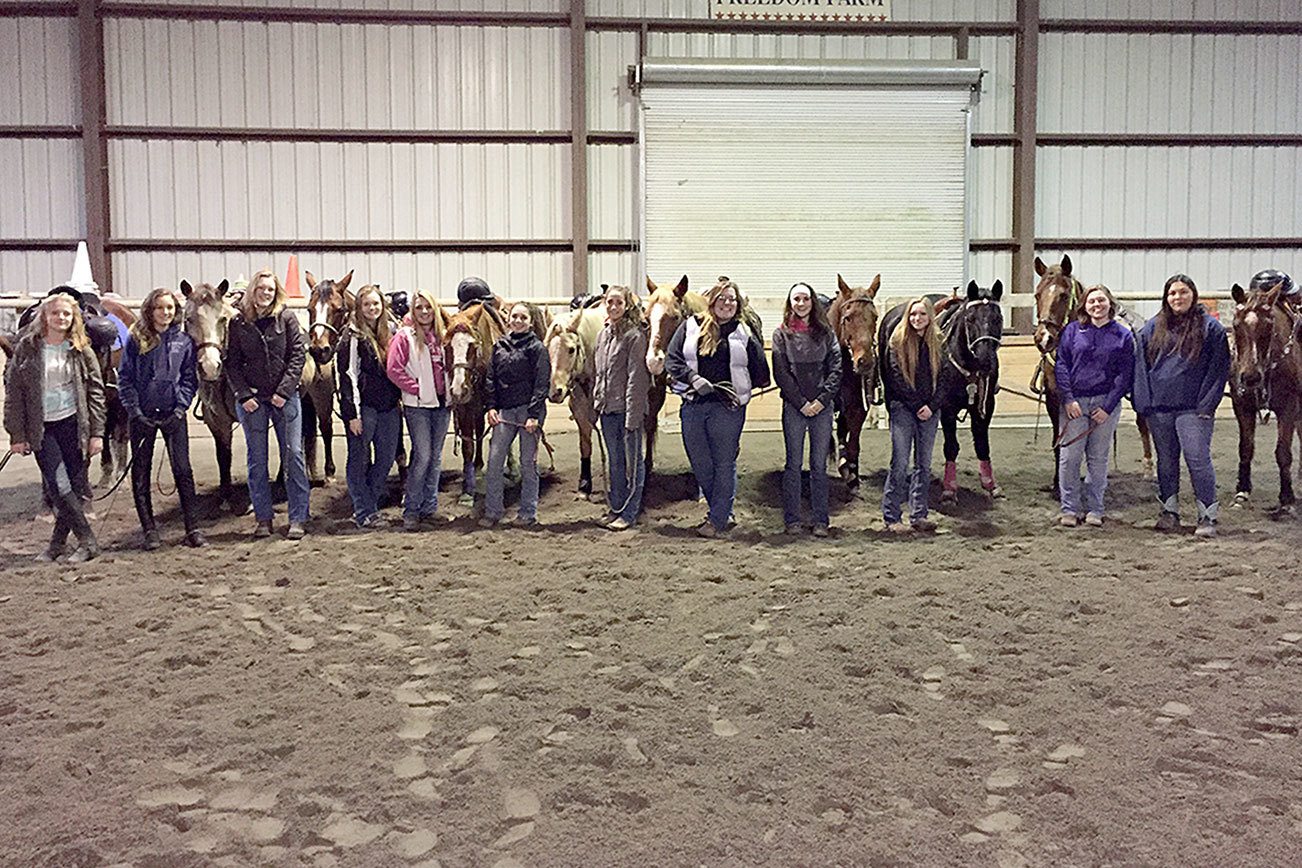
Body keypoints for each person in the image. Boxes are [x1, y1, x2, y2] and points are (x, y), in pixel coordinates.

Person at [3, 293, 105, 562]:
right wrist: (17, 434)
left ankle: (56, 545)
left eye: (66, 314)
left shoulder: (82, 348)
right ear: (45, 317)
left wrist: (97, 432)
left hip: (73, 424)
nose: (61, 318)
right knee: (59, 487)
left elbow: (95, 391)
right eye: (55, 313)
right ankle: (88, 541)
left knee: (70, 487)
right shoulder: (27, 348)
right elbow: (14, 392)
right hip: (43, 428)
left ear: (74, 318)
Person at [666, 277, 771, 538]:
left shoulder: (743, 333)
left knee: (724, 463)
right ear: (712, 301)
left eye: (732, 300)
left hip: (727, 408)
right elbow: (672, 359)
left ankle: (717, 519)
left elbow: (760, 370)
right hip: (693, 403)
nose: (727, 304)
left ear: (738, 305)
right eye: (722, 299)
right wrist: (693, 378)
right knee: (700, 461)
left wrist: (746, 385)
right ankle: (721, 510)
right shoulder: (690, 327)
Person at [1133, 273, 1231, 537]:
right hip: (1160, 409)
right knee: (1166, 461)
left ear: (1193, 295)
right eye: (1173, 293)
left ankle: (1207, 515)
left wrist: (1207, 405)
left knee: (1197, 460)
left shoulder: (1211, 330)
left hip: (1194, 410)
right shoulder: (1151, 329)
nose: (1178, 297)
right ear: (1167, 297)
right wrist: (1144, 404)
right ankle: (1169, 511)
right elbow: (1141, 368)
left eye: (1183, 292)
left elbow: (1218, 370)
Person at [118, 287, 206, 549]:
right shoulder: (136, 340)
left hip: (173, 414)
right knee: (141, 472)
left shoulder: (184, 342)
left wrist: (181, 407)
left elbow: (189, 379)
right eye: (160, 307)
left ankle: (193, 528)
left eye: (169, 307)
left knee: (183, 470)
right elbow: (125, 378)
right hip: (142, 416)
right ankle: (149, 530)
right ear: (150, 310)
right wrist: (135, 411)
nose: (165, 312)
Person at [226, 268, 310, 539]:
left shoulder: (286, 319)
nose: (265, 293)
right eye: (261, 288)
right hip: (253, 401)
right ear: (253, 291)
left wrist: (284, 391)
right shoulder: (238, 324)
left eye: (270, 290)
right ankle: (264, 518)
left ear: (277, 293)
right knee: (256, 459)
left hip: (284, 399)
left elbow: (297, 355)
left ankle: (298, 517)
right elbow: (233, 363)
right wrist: (244, 395)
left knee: (294, 455)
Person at [1054, 284, 1135, 528]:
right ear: (1084, 305)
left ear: (1109, 303)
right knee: (1070, 457)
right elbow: (1062, 364)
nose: (1096, 305)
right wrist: (1068, 398)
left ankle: (1095, 509)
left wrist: (1108, 406)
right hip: (1075, 404)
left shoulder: (1123, 335)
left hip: (1104, 404)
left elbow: (1124, 374)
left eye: (1101, 300)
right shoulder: (1072, 331)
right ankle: (1069, 508)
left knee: (1098, 459)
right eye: (1091, 301)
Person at [771, 282, 841, 537]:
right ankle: (792, 520)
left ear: (812, 302)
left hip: (821, 408)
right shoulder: (781, 335)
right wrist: (801, 402)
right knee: (793, 465)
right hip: (794, 407)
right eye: (796, 299)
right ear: (790, 303)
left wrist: (822, 400)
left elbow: (836, 369)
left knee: (819, 466)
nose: (801, 303)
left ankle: (821, 519)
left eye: (805, 298)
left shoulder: (826, 334)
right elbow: (782, 373)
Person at [480, 302, 550, 528]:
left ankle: (528, 513)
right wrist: (491, 407)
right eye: (515, 317)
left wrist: (534, 414)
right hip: (505, 411)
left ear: (530, 322)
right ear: (509, 319)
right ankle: (493, 511)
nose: (518, 321)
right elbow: (490, 378)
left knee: (528, 463)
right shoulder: (499, 345)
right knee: (494, 461)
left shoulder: (537, 348)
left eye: (523, 317)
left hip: (528, 411)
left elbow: (541, 383)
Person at [386, 289, 451, 531]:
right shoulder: (405, 336)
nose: (424, 312)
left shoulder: (442, 335)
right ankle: (411, 509)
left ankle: (429, 507)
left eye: (428, 307)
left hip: (442, 404)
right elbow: (393, 369)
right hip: (419, 407)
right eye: (419, 307)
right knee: (422, 456)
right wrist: (417, 389)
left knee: (434, 458)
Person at [339, 284, 402, 529]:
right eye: (367, 304)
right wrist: (352, 414)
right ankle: (365, 511)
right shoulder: (352, 336)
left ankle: (368, 506)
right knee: (358, 459)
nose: (372, 308)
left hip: (389, 406)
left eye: (376, 304)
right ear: (359, 307)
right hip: (364, 407)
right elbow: (348, 375)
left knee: (386, 459)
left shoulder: (392, 332)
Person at [881, 296, 943, 534]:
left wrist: (932, 404)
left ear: (929, 317)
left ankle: (919, 514)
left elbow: (945, 378)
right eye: (913, 314)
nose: (917, 319)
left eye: (922, 314)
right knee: (899, 463)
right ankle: (891, 515)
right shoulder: (897, 342)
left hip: (929, 410)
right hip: (903, 409)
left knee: (923, 465)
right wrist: (918, 404)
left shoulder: (938, 343)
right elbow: (896, 378)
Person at [592, 284, 649, 531]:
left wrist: (633, 416)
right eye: (610, 302)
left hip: (627, 410)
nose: (614, 307)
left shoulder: (634, 336)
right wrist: (596, 402)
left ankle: (629, 512)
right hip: (607, 409)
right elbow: (599, 373)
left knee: (633, 464)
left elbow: (636, 379)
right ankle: (616, 507)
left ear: (627, 306)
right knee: (615, 461)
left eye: (619, 302)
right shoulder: (603, 335)